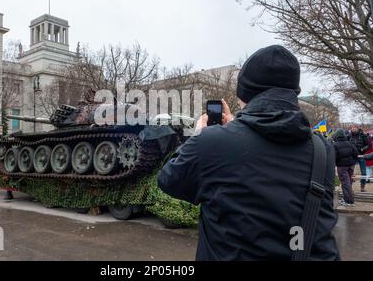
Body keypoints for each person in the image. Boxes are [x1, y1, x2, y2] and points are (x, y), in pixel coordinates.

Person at [158, 45, 340, 260]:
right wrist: (237, 128)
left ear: (244, 95)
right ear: (293, 92)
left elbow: (170, 180)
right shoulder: (322, 149)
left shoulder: (212, 143)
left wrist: (199, 135)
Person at [332, 129, 358, 206]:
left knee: (345, 183)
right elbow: (355, 153)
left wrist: (336, 163)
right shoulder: (349, 143)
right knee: (349, 182)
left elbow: (334, 156)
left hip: (342, 167)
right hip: (350, 166)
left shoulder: (335, 145)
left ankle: (349, 201)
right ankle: (349, 199)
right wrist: (352, 162)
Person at [350, 127, 370, 192]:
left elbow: (368, 145)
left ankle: (362, 186)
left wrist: (362, 149)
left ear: (357, 129)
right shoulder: (349, 136)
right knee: (350, 171)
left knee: (363, 172)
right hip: (352, 156)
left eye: (354, 129)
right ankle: (349, 186)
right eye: (352, 129)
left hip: (361, 156)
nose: (353, 130)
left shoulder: (362, 136)